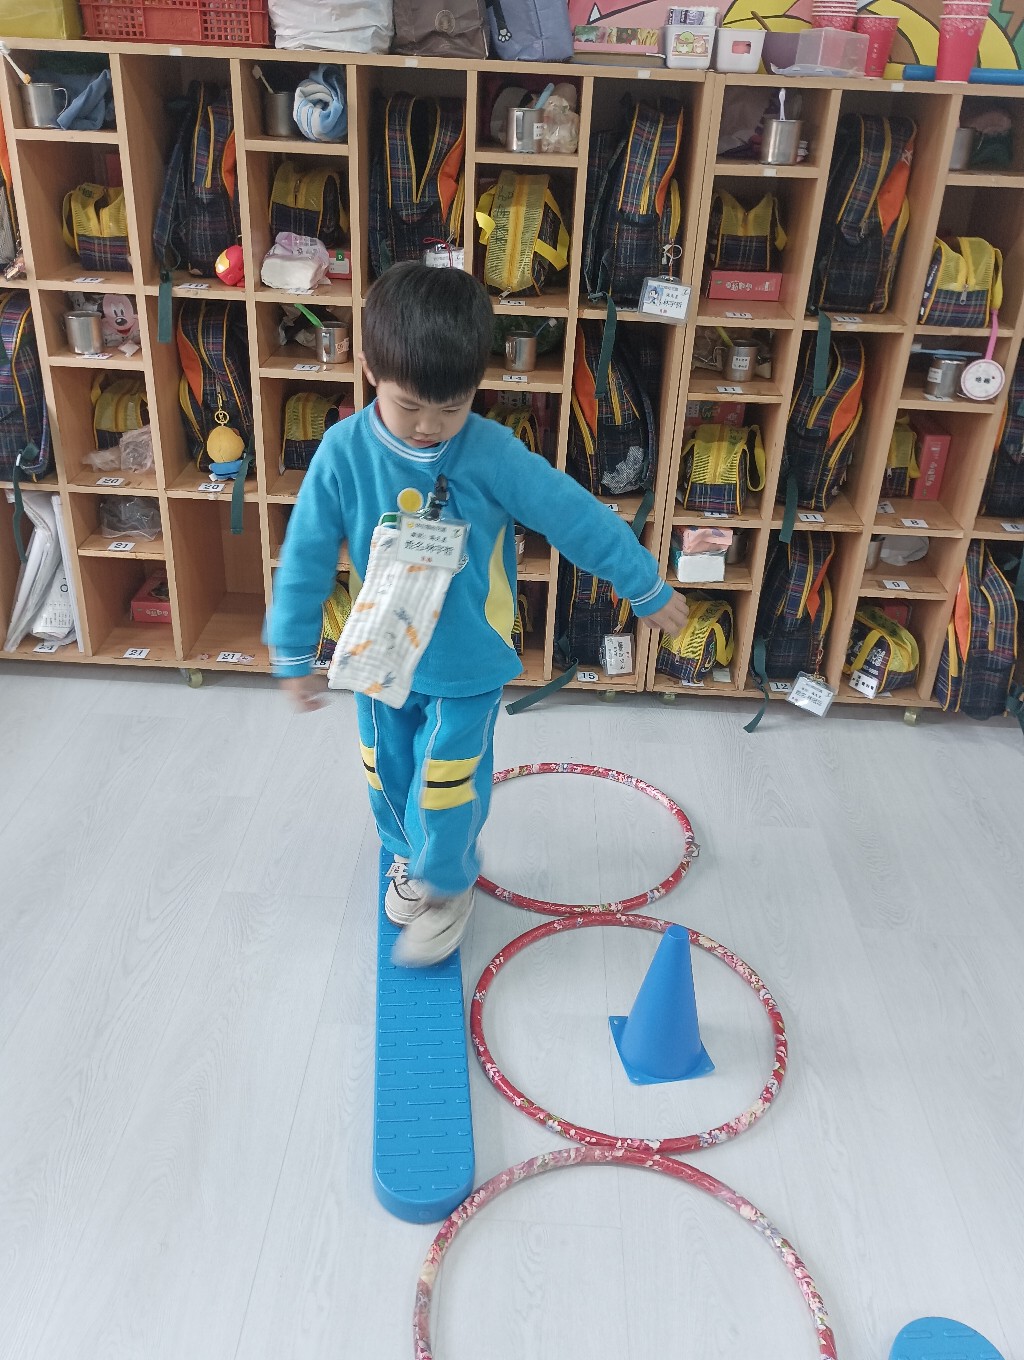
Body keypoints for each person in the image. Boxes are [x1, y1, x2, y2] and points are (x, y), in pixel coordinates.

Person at [268, 263, 688, 967]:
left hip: (468, 662)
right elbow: (306, 552)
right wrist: (291, 652)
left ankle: (446, 883)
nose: (429, 427)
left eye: (451, 407)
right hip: (381, 657)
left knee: (446, 780)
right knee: (385, 770)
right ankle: (409, 856)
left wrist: (642, 584)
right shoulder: (343, 452)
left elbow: (573, 514)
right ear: (369, 369)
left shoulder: (492, 452)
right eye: (409, 407)